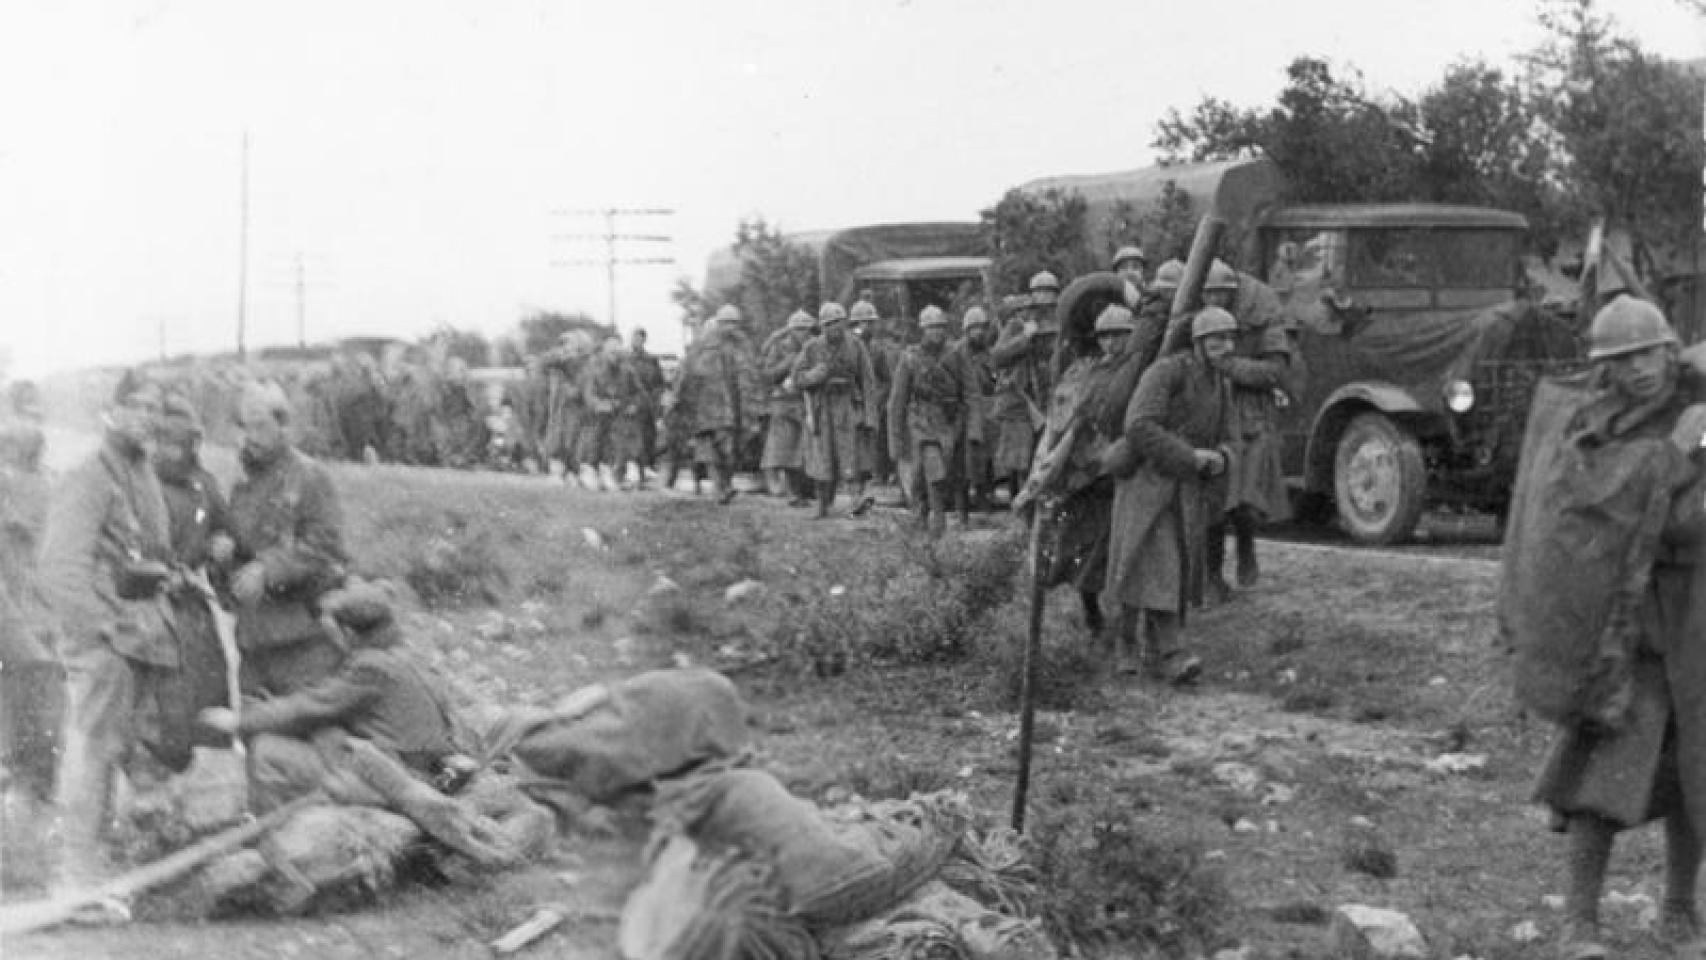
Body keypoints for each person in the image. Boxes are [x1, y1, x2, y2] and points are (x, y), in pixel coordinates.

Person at [1528, 297, 1706, 960]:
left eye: (1648, 352)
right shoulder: (1595, 426)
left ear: (1669, 348)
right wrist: (1675, 453)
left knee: (1696, 779)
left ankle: (1680, 913)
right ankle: (1579, 921)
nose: (1639, 370)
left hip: (1694, 626)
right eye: (1620, 359)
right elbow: (1595, 508)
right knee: (1601, 780)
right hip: (1625, 635)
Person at [199, 582, 518, 866]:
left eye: (333, 632)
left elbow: (308, 707)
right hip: (428, 769)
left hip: (396, 777)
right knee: (323, 741)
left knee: (267, 750)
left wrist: (239, 720)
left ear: (349, 634)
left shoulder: (370, 667)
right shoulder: (402, 656)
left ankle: (269, 844)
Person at [39, 372, 175, 889]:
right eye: (138, 406)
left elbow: (149, 551)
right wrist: (101, 631)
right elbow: (58, 568)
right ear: (111, 411)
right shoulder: (89, 476)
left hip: (140, 635)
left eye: (156, 409)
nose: (148, 418)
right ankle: (74, 873)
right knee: (90, 749)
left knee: (115, 751)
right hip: (104, 641)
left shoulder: (143, 472)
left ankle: (98, 864)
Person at [1100, 308, 1239, 682]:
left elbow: (1229, 437)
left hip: (1187, 489)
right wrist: (1189, 456)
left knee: (1174, 569)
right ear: (1197, 343)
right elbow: (1139, 424)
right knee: (1144, 563)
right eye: (1216, 340)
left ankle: (1152, 650)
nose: (1226, 347)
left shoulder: (1220, 384)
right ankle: (1150, 649)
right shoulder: (1167, 371)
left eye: (1230, 339)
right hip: (1148, 480)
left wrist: (1222, 459)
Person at [222, 381, 349, 697]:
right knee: (256, 733)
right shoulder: (241, 485)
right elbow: (242, 549)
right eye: (244, 427)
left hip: (303, 640)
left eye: (261, 426)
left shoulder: (309, 476)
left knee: (309, 733)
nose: (251, 437)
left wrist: (268, 569)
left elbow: (326, 545)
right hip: (254, 640)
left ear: (283, 425)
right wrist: (225, 555)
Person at [1029, 304, 1141, 641]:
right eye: (1106, 336)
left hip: (1129, 464)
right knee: (1085, 547)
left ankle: (1128, 628)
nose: (1112, 343)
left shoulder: (1140, 369)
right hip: (1088, 473)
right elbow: (1063, 415)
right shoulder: (1084, 372)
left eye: (1120, 335)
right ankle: (1093, 614)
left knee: (1128, 549)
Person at [147, 394, 235, 773]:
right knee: (164, 693)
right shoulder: (143, 484)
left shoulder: (204, 484)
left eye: (179, 445)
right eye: (163, 443)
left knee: (208, 682)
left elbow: (225, 527)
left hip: (194, 605)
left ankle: (208, 765)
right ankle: (161, 765)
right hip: (153, 602)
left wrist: (223, 544)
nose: (170, 453)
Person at [0, 385, 61, 846]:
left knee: (44, 703)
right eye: (23, 418)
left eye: (37, 418)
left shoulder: (50, 483)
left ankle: (35, 797)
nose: (30, 429)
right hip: (12, 607)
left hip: (42, 609)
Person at [888, 306, 984, 537]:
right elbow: (897, 401)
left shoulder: (957, 354)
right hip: (923, 419)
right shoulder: (910, 358)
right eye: (932, 328)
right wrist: (895, 439)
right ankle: (937, 521)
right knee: (934, 467)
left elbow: (971, 392)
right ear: (923, 330)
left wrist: (974, 429)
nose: (937, 333)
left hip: (952, 420)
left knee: (948, 473)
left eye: (940, 327)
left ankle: (921, 512)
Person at [792, 301, 879, 519]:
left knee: (852, 456)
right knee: (823, 456)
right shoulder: (812, 347)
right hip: (822, 408)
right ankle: (822, 505)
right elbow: (797, 378)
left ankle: (855, 503)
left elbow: (868, 382)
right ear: (823, 326)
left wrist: (870, 415)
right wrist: (815, 375)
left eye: (839, 323)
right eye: (830, 324)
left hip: (848, 406)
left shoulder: (856, 345)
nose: (835, 328)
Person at [990, 274, 1061, 503]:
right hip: (1022, 398)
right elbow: (998, 356)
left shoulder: (1062, 321)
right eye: (1040, 291)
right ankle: (1020, 507)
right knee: (1020, 459)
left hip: (1052, 394)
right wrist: (1025, 337)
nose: (1045, 297)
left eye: (1049, 292)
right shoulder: (1018, 324)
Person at [678, 304, 759, 504]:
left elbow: (749, 375)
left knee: (730, 450)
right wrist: (683, 400)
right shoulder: (703, 345)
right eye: (726, 323)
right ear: (719, 324)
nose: (730, 327)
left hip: (732, 406)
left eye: (734, 323)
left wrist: (752, 403)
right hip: (706, 407)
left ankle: (726, 484)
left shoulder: (742, 345)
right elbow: (688, 373)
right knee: (709, 451)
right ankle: (720, 488)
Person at [761, 309, 816, 506]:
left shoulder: (815, 346)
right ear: (791, 330)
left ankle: (806, 490)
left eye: (806, 329)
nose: (802, 333)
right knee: (786, 449)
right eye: (798, 329)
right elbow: (768, 374)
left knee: (806, 448)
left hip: (807, 401)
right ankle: (793, 492)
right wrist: (788, 362)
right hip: (784, 402)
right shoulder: (779, 347)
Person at [948, 306, 998, 519]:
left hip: (985, 411)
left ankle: (984, 504)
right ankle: (962, 511)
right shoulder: (956, 353)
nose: (978, 332)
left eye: (982, 328)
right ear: (966, 330)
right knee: (961, 463)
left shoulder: (989, 354)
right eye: (974, 328)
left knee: (984, 462)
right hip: (962, 412)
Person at [580, 335, 645, 491]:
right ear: (604, 353)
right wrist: (599, 405)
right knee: (595, 444)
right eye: (611, 352)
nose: (615, 356)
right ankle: (590, 472)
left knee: (621, 446)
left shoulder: (628, 371)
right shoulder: (594, 371)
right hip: (599, 418)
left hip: (620, 417)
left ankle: (616, 475)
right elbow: (589, 394)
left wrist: (634, 405)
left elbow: (639, 393)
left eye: (617, 352)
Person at [629, 328, 666, 486]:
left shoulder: (651, 360)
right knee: (634, 438)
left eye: (638, 338)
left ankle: (648, 468)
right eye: (633, 338)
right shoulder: (626, 359)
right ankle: (636, 470)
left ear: (644, 340)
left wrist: (655, 401)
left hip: (648, 405)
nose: (635, 341)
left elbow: (659, 383)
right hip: (631, 405)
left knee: (649, 437)